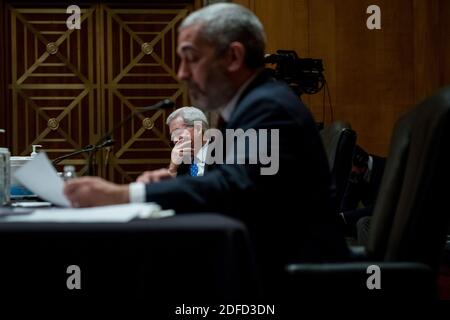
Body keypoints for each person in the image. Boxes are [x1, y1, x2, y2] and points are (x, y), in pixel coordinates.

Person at [64, 3, 349, 293]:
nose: (181, 74)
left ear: (233, 57)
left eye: (191, 59)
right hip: (257, 262)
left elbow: (236, 187)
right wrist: (174, 183)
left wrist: (126, 194)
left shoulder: (269, 107)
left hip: (289, 278)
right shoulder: (248, 106)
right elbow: (239, 182)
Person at [136, 106, 210, 183]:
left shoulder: (221, 152)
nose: (175, 140)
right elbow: (170, 190)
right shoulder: (181, 160)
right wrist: (173, 168)